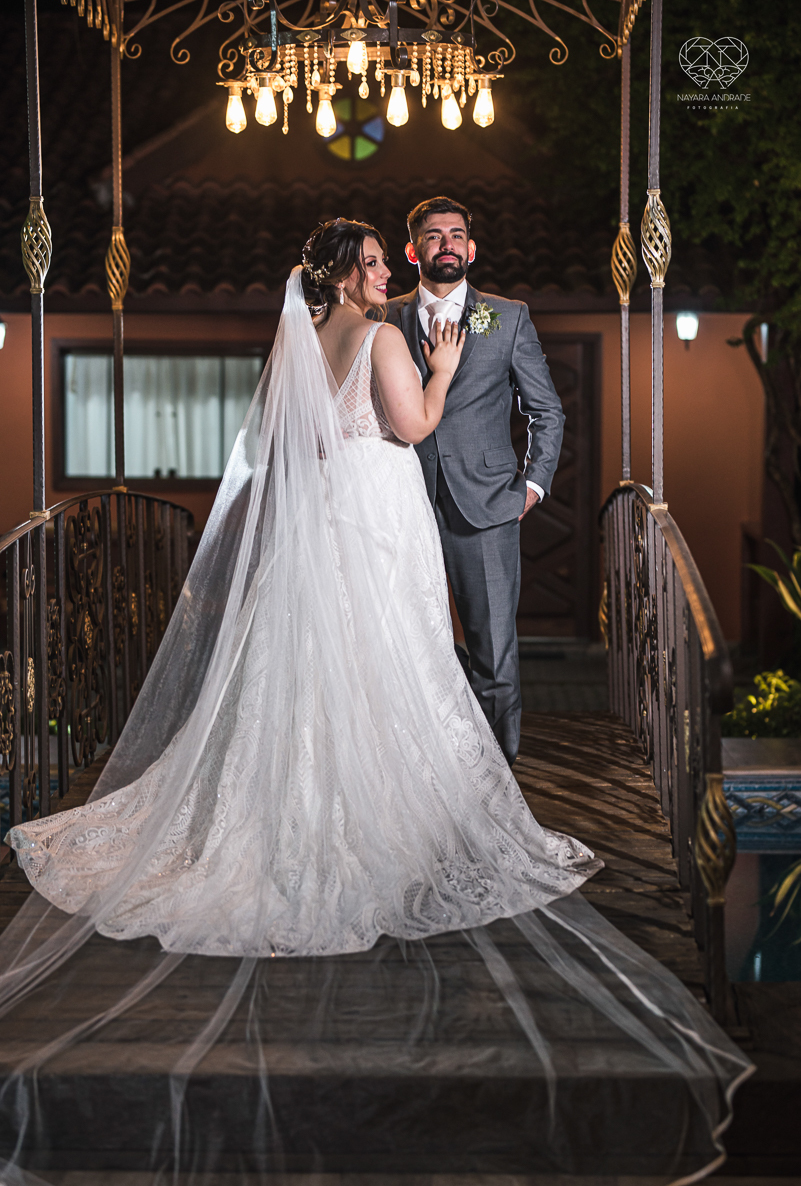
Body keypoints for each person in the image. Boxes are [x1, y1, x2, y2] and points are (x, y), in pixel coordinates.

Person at [0, 220, 752, 1185]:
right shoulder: (388, 334)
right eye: (377, 260)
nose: (391, 269)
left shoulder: (303, 338)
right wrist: (439, 366)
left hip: (324, 513)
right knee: (395, 658)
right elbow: (416, 428)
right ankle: (398, 812)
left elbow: (299, 441)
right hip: (380, 512)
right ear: (353, 274)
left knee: (312, 670)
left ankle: (290, 809)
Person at [386, 196, 563, 765]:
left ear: (472, 247)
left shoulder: (508, 316)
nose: (447, 244)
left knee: (493, 650)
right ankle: (428, 767)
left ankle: (500, 777)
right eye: (433, 236)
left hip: (486, 505)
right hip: (399, 502)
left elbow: (547, 411)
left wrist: (532, 486)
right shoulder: (383, 317)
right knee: (408, 642)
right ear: (413, 250)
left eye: (457, 235)